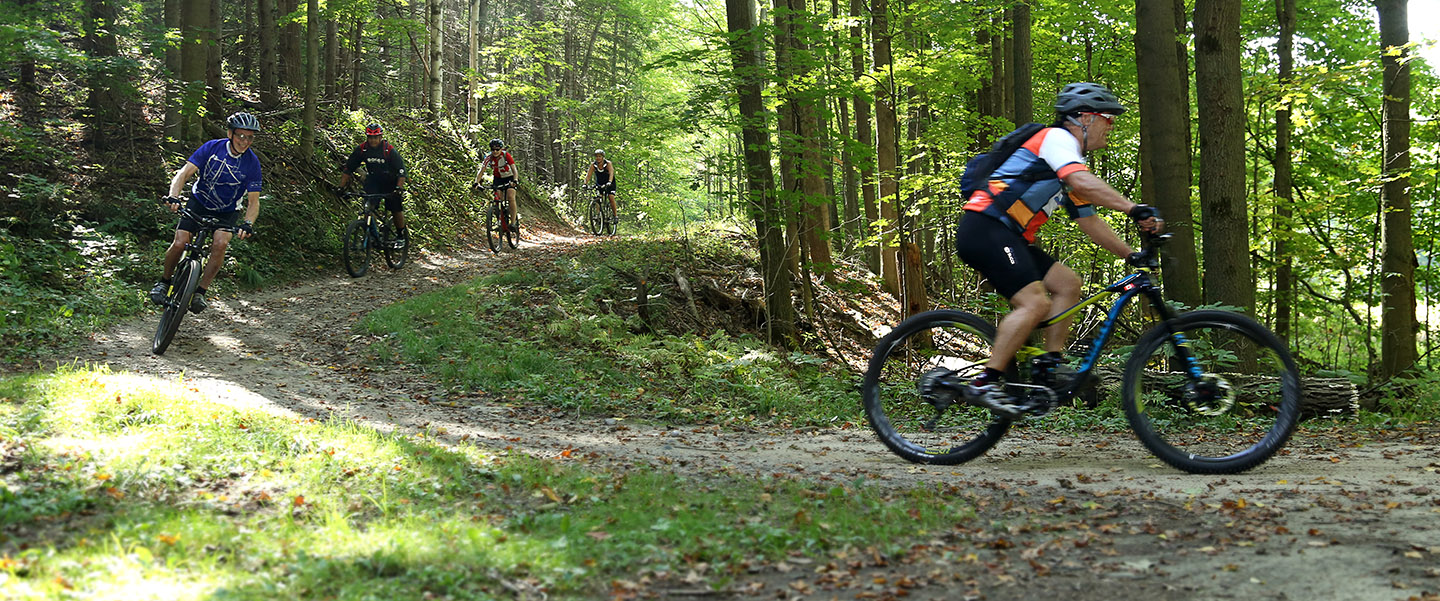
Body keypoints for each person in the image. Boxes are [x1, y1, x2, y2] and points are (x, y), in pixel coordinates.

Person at [953, 82, 1163, 413]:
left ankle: (1048, 367)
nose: (1111, 126)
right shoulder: (1057, 140)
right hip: (985, 227)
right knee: (1034, 303)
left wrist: (1130, 255)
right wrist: (1134, 209)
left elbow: (1090, 222)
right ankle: (985, 382)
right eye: (1108, 118)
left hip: (1007, 236)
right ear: (1084, 118)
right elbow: (1081, 181)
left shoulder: (1068, 162)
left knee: (1068, 284)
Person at [149, 112, 263, 314]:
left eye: (250, 137)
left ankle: (200, 291)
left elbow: (253, 202)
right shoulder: (212, 147)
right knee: (180, 242)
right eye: (240, 135)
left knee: (220, 244)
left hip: (226, 210)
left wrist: (248, 223)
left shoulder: (252, 163)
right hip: (199, 201)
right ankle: (164, 282)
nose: (244, 141)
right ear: (230, 133)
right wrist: (174, 196)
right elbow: (184, 173)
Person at [339, 123, 409, 246]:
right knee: (368, 208)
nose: (373, 140)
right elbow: (348, 169)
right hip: (373, 181)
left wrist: (399, 187)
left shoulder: (388, 150)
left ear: (380, 137)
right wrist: (341, 187)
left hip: (391, 183)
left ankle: (400, 235)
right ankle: (372, 235)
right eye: (370, 137)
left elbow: (401, 172)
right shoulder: (362, 149)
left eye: (375, 137)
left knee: (395, 208)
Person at [473, 138, 518, 232]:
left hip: (509, 177)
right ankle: (500, 222)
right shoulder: (489, 158)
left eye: (497, 149)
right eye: (493, 149)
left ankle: (513, 223)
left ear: (501, 149)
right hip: (498, 179)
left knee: (510, 196)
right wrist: (476, 182)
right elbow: (482, 170)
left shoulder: (506, 155)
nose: (495, 151)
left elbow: (514, 169)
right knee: (498, 200)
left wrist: (515, 180)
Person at [584, 149, 618, 223]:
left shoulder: (608, 163)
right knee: (598, 198)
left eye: (599, 156)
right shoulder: (594, 165)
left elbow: (611, 173)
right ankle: (598, 215)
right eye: (596, 156)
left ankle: (615, 216)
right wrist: (585, 184)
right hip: (599, 183)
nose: (598, 158)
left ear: (602, 157)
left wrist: (609, 182)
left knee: (611, 197)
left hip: (610, 182)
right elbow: (588, 175)